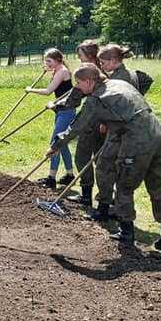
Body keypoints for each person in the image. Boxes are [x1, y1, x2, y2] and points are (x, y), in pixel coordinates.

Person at [48, 63, 161, 250]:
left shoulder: (98, 99)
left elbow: (78, 126)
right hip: (159, 136)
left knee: (124, 185)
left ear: (89, 81)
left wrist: (56, 145)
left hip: (137, 142)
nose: (76, 86)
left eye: (78, 82)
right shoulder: (118, 83)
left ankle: (126, 232)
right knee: (158, 187)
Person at [84, 43, 154, 221]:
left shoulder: (122, 76)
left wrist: (108, 122)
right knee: (109, 166)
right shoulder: (122, 72)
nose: (101, 66)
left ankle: (105, 207)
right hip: (123, 127)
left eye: (103, 62)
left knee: (105, 166)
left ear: (114, 60)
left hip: (122, 130)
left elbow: (119, 102)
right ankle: (109, 205)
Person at [53, 40, 104, 209]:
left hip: (96, 122)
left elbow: (76, 99)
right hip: (91, 120)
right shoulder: (87, 72)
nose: (79, 60)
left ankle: (105, 201)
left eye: (81, 56)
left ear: (90, 56)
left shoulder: (97, 73)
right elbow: (75, 96)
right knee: (83, 158)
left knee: (100, 161)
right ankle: (86, 196)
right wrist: (57, 105)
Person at [26, 48, 75, 189]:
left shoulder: (62, 71)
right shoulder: (57, 70)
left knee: (55, 143)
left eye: (49, 61)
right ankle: (70, 175)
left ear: (58, 60)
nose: (46, 63)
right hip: (60, 111)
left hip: (66, 111)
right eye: (45, 60)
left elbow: (48, 91)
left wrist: (31, 90)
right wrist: (48, 70)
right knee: (62, 143)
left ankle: (51, 179)